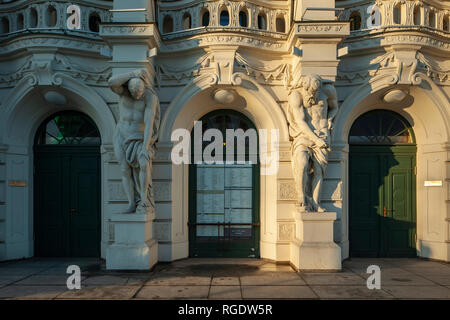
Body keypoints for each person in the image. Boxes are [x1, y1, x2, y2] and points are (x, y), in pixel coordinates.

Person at [109, 69, 160, 213]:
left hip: (138, 136)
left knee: (144, 163)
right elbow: (111, 82)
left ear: (143, 88)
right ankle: (131, 203)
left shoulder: (150, 97)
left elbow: (149, 121)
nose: (137, 96)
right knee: (124, 170)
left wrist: (145, 146)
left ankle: (143, 199)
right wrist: (132, 74)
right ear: (129, 89)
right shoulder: (123, 92)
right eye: (134, 93)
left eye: (139, 93)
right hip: (121, 135)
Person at [287, 74, 338, 212]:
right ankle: (301, 197)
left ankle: (316, 203)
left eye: (316, 91)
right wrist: (316, 140)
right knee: (302, 163)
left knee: (318, 170)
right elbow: (300, 121)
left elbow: (334, 107)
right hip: (303, 135)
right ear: (304, 86)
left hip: (322, 132)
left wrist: (329, 119)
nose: (314, 94)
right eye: (311, 91)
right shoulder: (296, 96)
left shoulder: (328, 91)